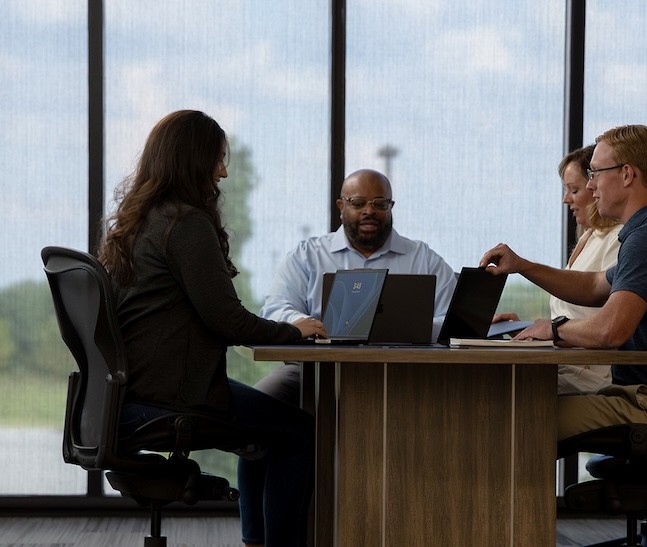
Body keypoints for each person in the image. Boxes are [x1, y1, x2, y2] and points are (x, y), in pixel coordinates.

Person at [98, 110, 325, 547]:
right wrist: (296, 332)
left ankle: (255, 540)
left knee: (267, 429)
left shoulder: (140, 221)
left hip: (132, 391)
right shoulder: (185, 223)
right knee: (297, 434)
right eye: (218, 159)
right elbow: (227, 321)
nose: (223, 171)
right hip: (173, 395)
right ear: (193, 161)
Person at [479, 124, 647, 445]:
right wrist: (523, 266)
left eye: (596, 173)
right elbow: (593, 286)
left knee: (510, 415)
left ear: (627, 175)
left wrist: (554, 328)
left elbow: (610, 330)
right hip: (638, 395)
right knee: (512, 398)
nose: (591, 185)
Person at [255, 168, 457, 405]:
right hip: (314, 372)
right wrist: (311, 325)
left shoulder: (423, 258)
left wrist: (415, 329)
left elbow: (453, 320)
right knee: (255, 407)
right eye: (358, 203)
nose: (369, 211)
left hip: (405, 375)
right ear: (341, 206)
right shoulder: (307, 256)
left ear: (391, 207)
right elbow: (274, 309)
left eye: (380, 204)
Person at [493, 144, 622, 394]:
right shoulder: (590, 237)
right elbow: (576, 320)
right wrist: (529, 331)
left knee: (498, 392)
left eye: (574, 190)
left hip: (589, 376)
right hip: (567, 365)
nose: (566, 199)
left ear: (596, 186)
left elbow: (606, 328)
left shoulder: (618, 241)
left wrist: (549, 333)